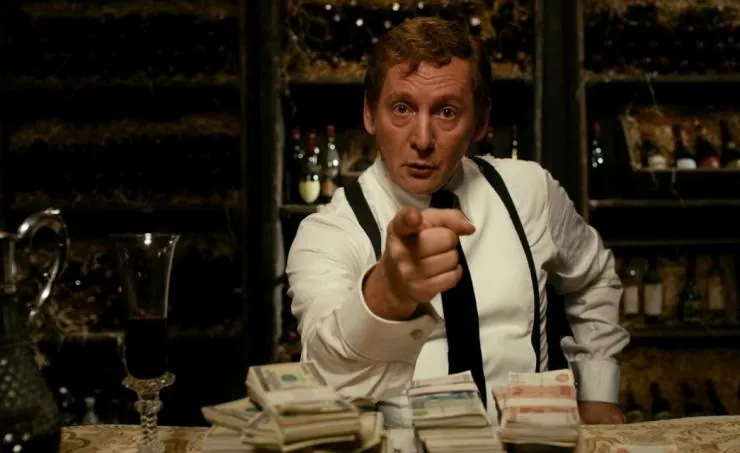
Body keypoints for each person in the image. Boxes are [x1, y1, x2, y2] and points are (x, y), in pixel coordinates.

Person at [286, 16, 629, 429]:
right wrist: (386, 294)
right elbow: (326, 373)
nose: (422, 139)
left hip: (531, 441)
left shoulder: (529, 191)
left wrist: (597, 389)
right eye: (401, 108)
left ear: (481, 122)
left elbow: (594, 277)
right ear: (369, 114)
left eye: (447, 112)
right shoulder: (329, 233)